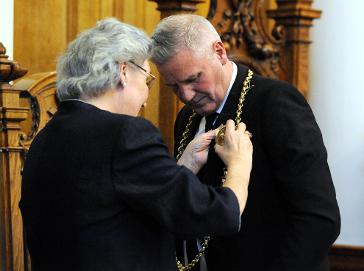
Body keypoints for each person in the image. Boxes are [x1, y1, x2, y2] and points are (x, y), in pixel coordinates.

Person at [19, 18, 253, 271]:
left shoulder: (45, 138)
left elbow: (114, 210)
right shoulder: (125, 133)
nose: (144, 100)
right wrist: (239, 163)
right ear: (123, 71)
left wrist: (184, 166)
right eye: (147, 80)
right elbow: (216, 214)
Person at [151, 14, 341, 271]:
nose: (185, 95)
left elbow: (319, 218)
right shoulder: (186, 118)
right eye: (174, 86)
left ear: (219, 52)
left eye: (193, 78)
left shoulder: (275, 103)